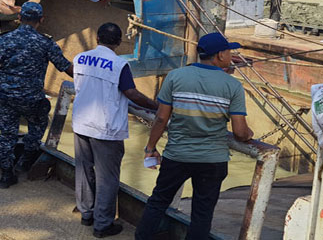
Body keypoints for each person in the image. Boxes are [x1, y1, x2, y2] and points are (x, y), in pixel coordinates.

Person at [135, 32, 254, 240]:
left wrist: (150, 147)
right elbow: (240, 132)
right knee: (202, 213)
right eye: (228, 51)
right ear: (219, 55)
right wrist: (248, 134)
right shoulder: (232, 86)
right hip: (212, 160)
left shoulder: (175, 76)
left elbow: (161, 119)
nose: (230, 54)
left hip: (177, 155)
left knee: (158, 201)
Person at [72, 22, 158, 238]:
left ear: (97, 38)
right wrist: (157, 106)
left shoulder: (80, 58)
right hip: (105, 129)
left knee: (84, 170)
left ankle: (86, 214)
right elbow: (132, 93)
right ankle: (102, 226)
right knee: (107, 178)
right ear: (119, 42)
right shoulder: (119, 65)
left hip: (81, 123)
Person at [0, 1, 74, 189]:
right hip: (32, 97)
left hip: (6, 95)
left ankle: (6, 175)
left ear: (19, 18)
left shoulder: (4, 39)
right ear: (41, 20)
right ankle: (25, 161)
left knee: (7, 134)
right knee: (39, 123)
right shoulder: (46, 43)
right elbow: (67, 68)